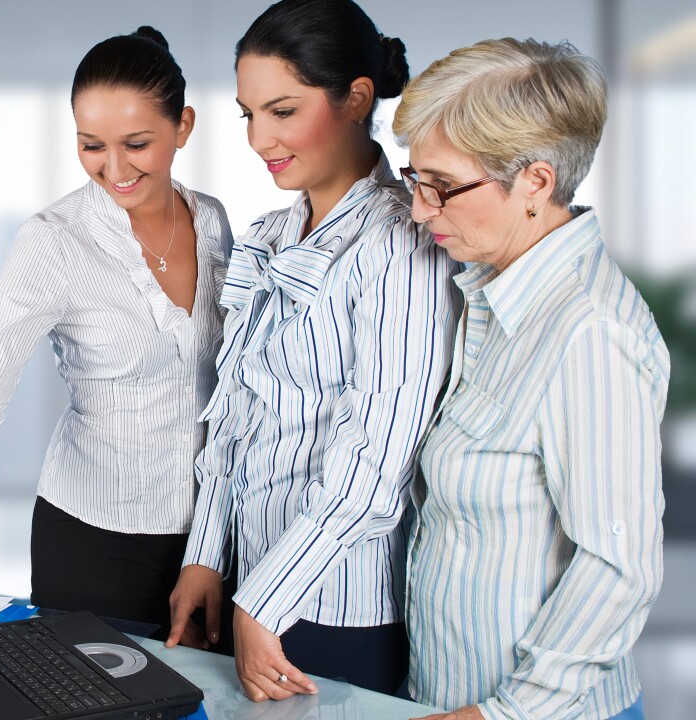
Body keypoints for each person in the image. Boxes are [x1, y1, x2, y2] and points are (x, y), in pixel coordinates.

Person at [0, 26, 234, 636]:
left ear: (183, 126)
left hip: (210, 535)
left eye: (137, 143)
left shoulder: (212, 221)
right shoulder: (54, 240)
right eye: (91, 145)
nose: (115, 168)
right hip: (92, 534)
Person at [166, 0, 460, 700]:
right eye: (248, 114)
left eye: (283, 111)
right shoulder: (269, 231)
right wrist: (205, 558)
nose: (259, 137)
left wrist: (263, 601)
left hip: (335, 606)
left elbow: (378, 459)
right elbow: (233, 412)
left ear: (357, 99)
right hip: (248, 585)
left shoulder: (403, 245)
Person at [393, 38, 667, 720]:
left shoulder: (586, 333)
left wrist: (506, 713)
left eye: (443, 186)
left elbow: (617, 566)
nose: (422, 208)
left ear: (536, 183)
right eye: (414, 178)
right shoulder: (491, 292)